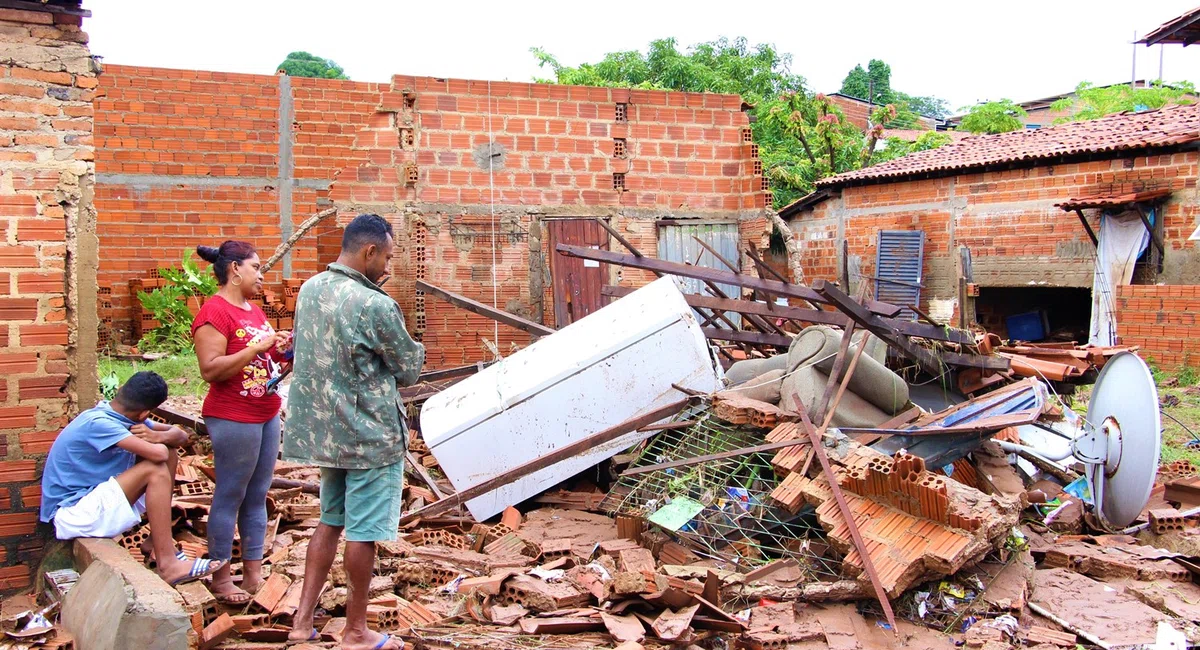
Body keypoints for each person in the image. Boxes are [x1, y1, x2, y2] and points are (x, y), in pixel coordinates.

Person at [285, 214, 424, 650]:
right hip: (369, 437)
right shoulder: (375, 304)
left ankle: (302, 622)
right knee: (363, 533)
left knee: (329, 522)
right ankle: (356, 631)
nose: (388, 266)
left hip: (327, 435)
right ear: (369, 252)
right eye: (387, 256)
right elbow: (408, 369)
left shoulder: (310, 289)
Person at [40, 371, 224, 585]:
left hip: (91, 503)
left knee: (171, 454)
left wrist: (160, 436)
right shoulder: (98, 423)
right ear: (144, 413)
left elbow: (180, 437)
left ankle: (157, 542)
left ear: (120, 391)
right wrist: (159, 439)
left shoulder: (120, 415)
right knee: (156, 468)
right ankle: (168, 565)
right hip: (71, 513)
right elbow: (159, 454)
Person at [192, 241, 291, 605]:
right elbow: (210, 369)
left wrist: (281, 349)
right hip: (232, 415)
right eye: (256, 267)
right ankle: (220, 577)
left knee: (257, 494)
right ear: (235, 270)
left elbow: (264, 355)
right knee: (230, 494)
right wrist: (255, 348)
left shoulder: (251, 310)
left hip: (265, 412)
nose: (261, 275)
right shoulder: (214, 313)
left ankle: (252, 573)